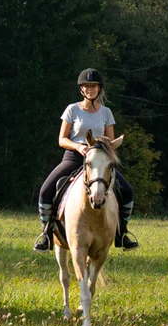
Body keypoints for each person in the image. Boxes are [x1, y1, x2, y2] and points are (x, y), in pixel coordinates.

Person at [33, 68, 139, 252]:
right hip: (74, 157)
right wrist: (79, 146)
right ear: (81, 89)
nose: (90, 89)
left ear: (99, 89)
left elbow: (110, 143)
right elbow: (62, 139)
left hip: (100, 161)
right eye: (86, 86)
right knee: (45, 191)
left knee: (127, 191)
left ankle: (122, 232)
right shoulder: (72, 110)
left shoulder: (106, 113)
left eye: (93, 86)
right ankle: (46, 233)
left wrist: (102, 150)